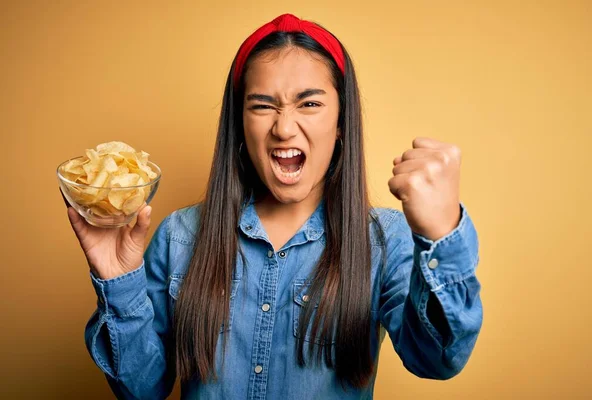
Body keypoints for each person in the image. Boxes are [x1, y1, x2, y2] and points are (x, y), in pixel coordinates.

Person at [65, 13, 482, 400]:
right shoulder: (180, 236)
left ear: (340, 123)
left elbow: (438, 359)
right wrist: (118, 281)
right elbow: (142, 389)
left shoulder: (383, 240)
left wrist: (442, 235)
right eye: (262, 105)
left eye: (310, 103)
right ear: (240, 123)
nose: (283, 128)